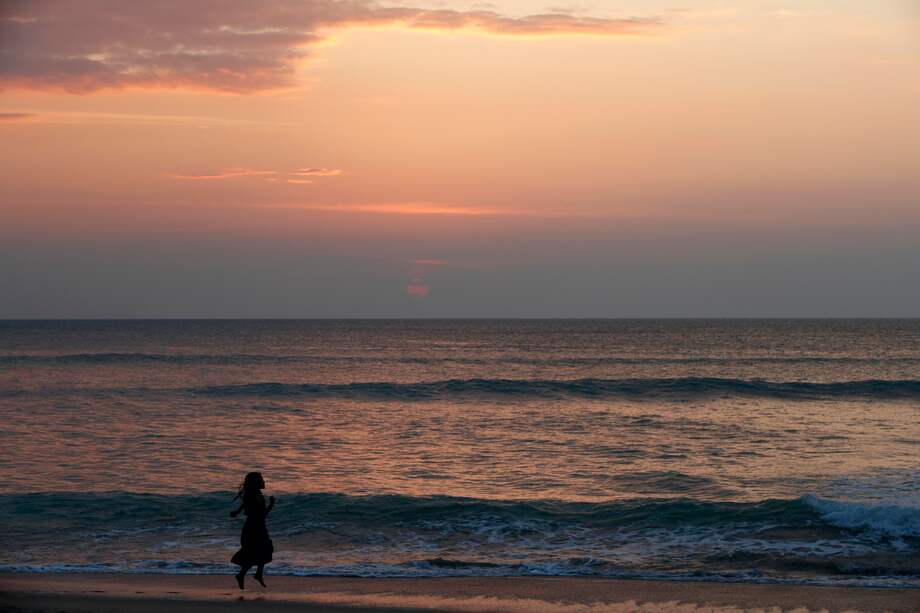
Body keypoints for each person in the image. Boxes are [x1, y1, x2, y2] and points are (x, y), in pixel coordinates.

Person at [229, 471, 275, 589]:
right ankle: (246, 575)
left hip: (258, 527)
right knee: (256, 551)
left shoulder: (256, 494)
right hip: (253, 528)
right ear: (255, 483)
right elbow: (261, 514)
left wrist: (237, 512)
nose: (263, 482)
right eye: (261, 480)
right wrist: (271, 505)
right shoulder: (251, 495)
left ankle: (254, 574)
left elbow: (245, 505)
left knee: (263, 549)